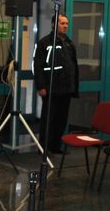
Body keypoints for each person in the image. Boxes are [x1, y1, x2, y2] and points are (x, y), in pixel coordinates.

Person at [33, 14, 79, 155]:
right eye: (62, 23)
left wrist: (73, 85)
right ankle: (44, 148)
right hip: (51, 88)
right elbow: (38, 66)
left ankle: (56, 146)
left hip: (66, 88)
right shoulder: (44, 43)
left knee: (61, 119)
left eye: (66, 23)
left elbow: (73, 65)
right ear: (53, 24)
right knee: (49, 119)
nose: (65, 26)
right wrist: (41, 86)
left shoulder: (69, 43)